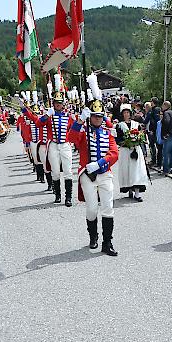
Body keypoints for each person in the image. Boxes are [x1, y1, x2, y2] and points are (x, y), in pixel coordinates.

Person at [67, 100, 119, 256]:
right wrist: (79, 121)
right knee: (91, 209)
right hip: (87, 176)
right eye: (95, 116)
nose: (97, 119)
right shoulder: (83, 131)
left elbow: (114, 153)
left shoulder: (107, 133)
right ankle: (93, 235)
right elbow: (71, 139)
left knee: (108, 207)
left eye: (100, 116)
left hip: (104, 174)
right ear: (90, 117)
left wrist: (100, 163)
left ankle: (107, 242)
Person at [37, 92, 74, 206]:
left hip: (65, 145)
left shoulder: (68, 116)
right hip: (53, 145)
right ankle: (57, 195)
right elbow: (38, 124)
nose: (58, 105)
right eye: (56, 103)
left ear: (63, 104)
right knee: (56, 172)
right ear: (53, 104)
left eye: (60, 103)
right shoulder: (49, 116)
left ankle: (68, 197)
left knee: (68, 171)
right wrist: (47, 115)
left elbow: (74, 130)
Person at [115, 103, 148, 201]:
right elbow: (117, 139)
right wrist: (125, 142)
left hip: (135, 150)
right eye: (124, 113)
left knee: (137, 170)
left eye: (128, 112)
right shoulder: (119, 126)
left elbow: (142, 136)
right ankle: (129, 189)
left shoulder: (136, 125)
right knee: (127, 170)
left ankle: (137, 193)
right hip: (125, 151)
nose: (126, 114)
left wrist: (138, 140)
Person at [160, 101, 172, 175]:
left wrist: (165, 133)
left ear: (165, 106)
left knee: (165, 152)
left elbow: (166, 122)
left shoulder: (166, 113)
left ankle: (166, 169)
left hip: (168, 135)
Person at [144, 98, 162, 166]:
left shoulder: (151, 111)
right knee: (159, 146)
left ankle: (154, 160)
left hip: (152, 131)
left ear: (152, 102)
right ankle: (160, 162)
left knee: (152, 146)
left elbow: (146, 120)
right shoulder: (159, 109)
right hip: (159, 130)